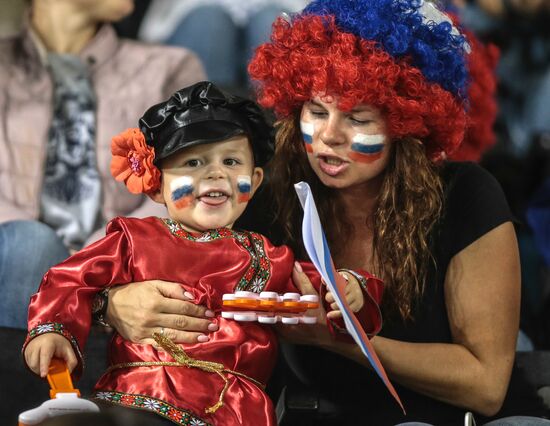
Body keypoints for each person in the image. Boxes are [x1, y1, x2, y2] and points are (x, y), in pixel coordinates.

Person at [102, 1, 550, 424]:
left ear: (406, 124)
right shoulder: (265, 190)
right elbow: (164, 262)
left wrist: (349, 342)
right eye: (317, 110)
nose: (330, 136)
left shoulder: (466, 194)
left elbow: (485, 385)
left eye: (358, 118)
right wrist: (114, 304)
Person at [22, 81, 383, 426]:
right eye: (193, 163)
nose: (215, 174)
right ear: (156, 184)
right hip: (140, 396)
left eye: (231, 162)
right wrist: (53, 330)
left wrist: (353, 289)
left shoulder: (267, 256)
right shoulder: (133, 239)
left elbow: (325, 290)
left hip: (232, 409)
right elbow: (69, 280)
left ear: (255, 181)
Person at [0, 0, 206, 329]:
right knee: (30, 245)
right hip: (12, 261)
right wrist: (49, 258)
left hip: (118, 266)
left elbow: (188, 183)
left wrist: (100, 256)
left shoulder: (168, 67)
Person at [137, 0, 308, 89]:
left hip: (280, 13)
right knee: (210, 23)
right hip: (194, 17)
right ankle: (206, 128)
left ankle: (280, 141)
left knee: (272, 23)